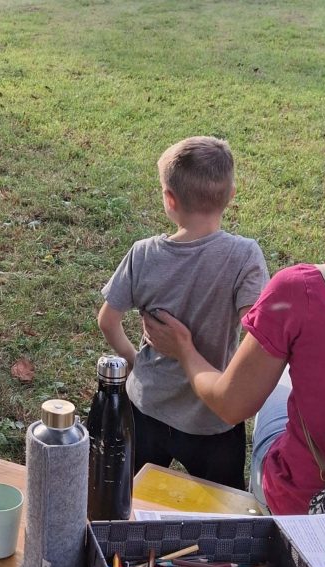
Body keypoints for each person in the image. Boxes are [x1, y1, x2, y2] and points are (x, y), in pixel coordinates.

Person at [143, 119, 325, 516]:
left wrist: (185, 349)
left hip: (315, 510)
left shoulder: (307, 290)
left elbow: (230, 404)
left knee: (275, 392)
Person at [97, 137, 269, 489]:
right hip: (214, 418)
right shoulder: (244, 257)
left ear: (169, 199)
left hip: (146, 406)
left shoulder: (143, 254)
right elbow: (260, 336)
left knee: (126, 498)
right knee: (224, 513)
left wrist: (135, 362)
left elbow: (108, 320)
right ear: (230, 194)